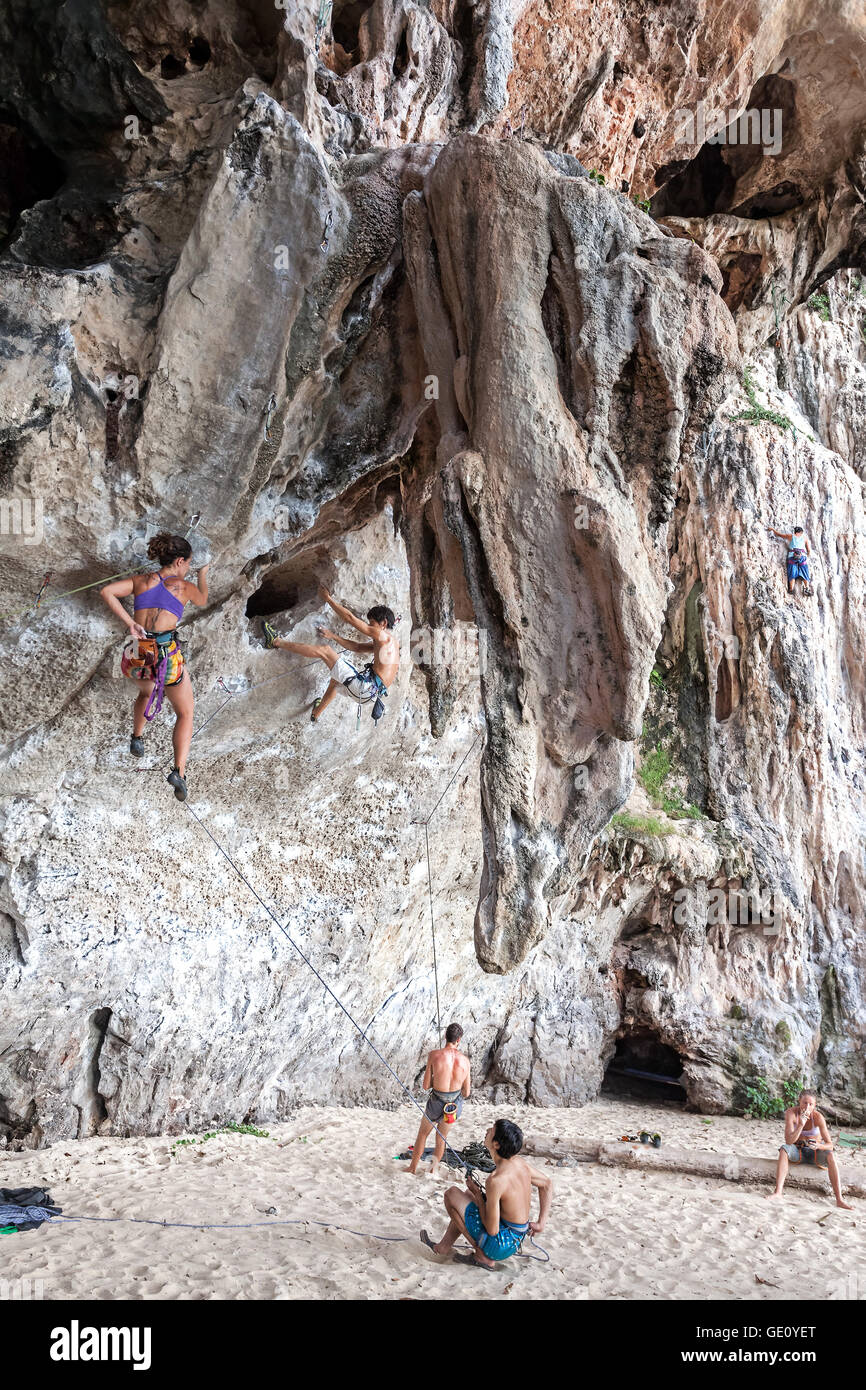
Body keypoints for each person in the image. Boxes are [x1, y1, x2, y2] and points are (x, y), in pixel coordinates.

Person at [101, 533, 209, 802]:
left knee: (146, 692)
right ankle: (179, 771)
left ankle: (137, 737)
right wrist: (203, 574)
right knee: (185, 712)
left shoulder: (141, 581)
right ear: (181, 561)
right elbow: (204, 599)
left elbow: (107, 591)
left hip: (138, 649)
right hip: (164, 653)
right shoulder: (183, 587)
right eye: (188, 564)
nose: (187, 569)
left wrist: (130, 623)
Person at [421, 1118, 553, 1268]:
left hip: (499, 1244)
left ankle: (481, 1255)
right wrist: (541, 1223)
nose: (487, 1131)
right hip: (516, 1239)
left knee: (451, 1194)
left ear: (496, 1144)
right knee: (466, 1196)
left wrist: (478, 1194)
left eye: (491, 1130)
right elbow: (547, 1184)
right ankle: (443, 1247)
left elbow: (492, 1229)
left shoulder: (496, 1180)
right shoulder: (519, 1163)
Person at [262, 584, 399, 723]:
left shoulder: (383, 636)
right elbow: (357, 647)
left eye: (372, 623)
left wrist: (328, 599)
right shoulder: (390, 644)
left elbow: (350, 618)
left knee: (325, 651)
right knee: (336, 680)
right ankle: (316, 713)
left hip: (365, 689)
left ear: (384, 623)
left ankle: (275, 642)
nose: (369, 627)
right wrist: (334, 636)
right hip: (370, 697)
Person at [765, 1088, 853, 1208]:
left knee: (831, 1154)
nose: (807, 1107)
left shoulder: (818, 1117)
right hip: (797, 1151)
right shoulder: (791, 1113)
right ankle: (778, 1192)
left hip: (815, 1153)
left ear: (814, 1105)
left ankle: (839, 1199)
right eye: (804, 1103)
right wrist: (801, 1124)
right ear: (799, 1101)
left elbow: (830, 1144)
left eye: (811, 1104)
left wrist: (819, 1145)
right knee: (784, 1149)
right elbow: (789, 1141)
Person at [405, 1023, 471, 1177]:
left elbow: (426, 1085)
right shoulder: (465, 1061)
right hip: (453, 1105)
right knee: (441, 1138)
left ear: (445, 1036)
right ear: (459, 1040)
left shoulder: (434, 1055)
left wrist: (439, 1082)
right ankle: (432, 1169)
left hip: (436, 1102)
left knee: (422, 1134)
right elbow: (466, 1092)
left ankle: (413, 1168)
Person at [768, 524, 812, 597]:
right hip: (802, 557)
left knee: (792, 572)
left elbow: (779, 535)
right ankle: (807, 588)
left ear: (795, 532)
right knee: (805, 571)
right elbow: (808, 550)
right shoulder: (805, 538)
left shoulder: (790, 536)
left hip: (792, 556)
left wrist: (773, 530)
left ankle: (791, 589)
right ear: (801, 532)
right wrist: (807, 556)